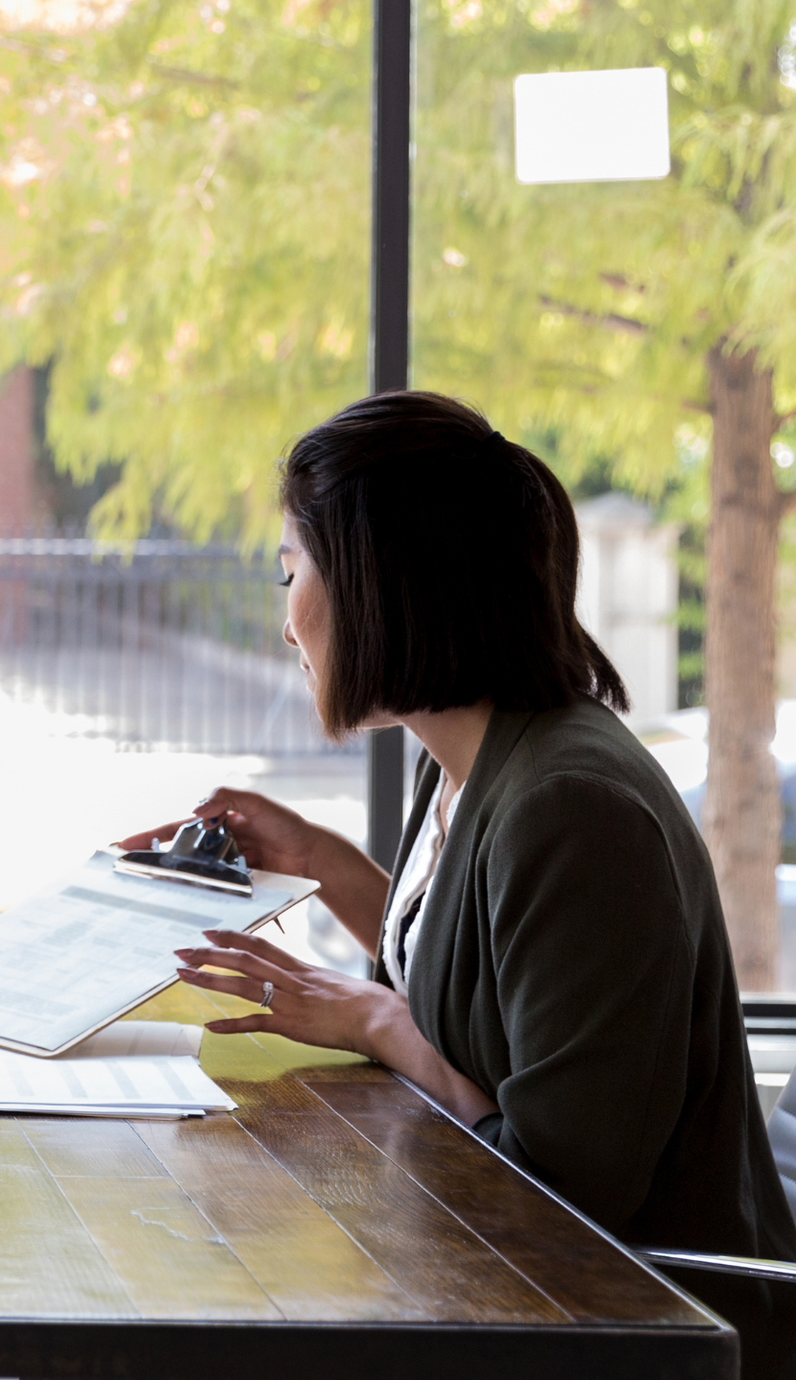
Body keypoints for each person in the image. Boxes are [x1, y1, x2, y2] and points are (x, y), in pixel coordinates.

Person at [123, 391, 795, 1373]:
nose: (285, 625)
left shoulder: (572, 809)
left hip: (642, 1320)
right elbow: (473, 978)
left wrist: (380, 1026)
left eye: (290, 574)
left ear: (379, 585)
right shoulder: (482, 756)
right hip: (520, 1286)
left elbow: (564, 1200)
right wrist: (321, 862)